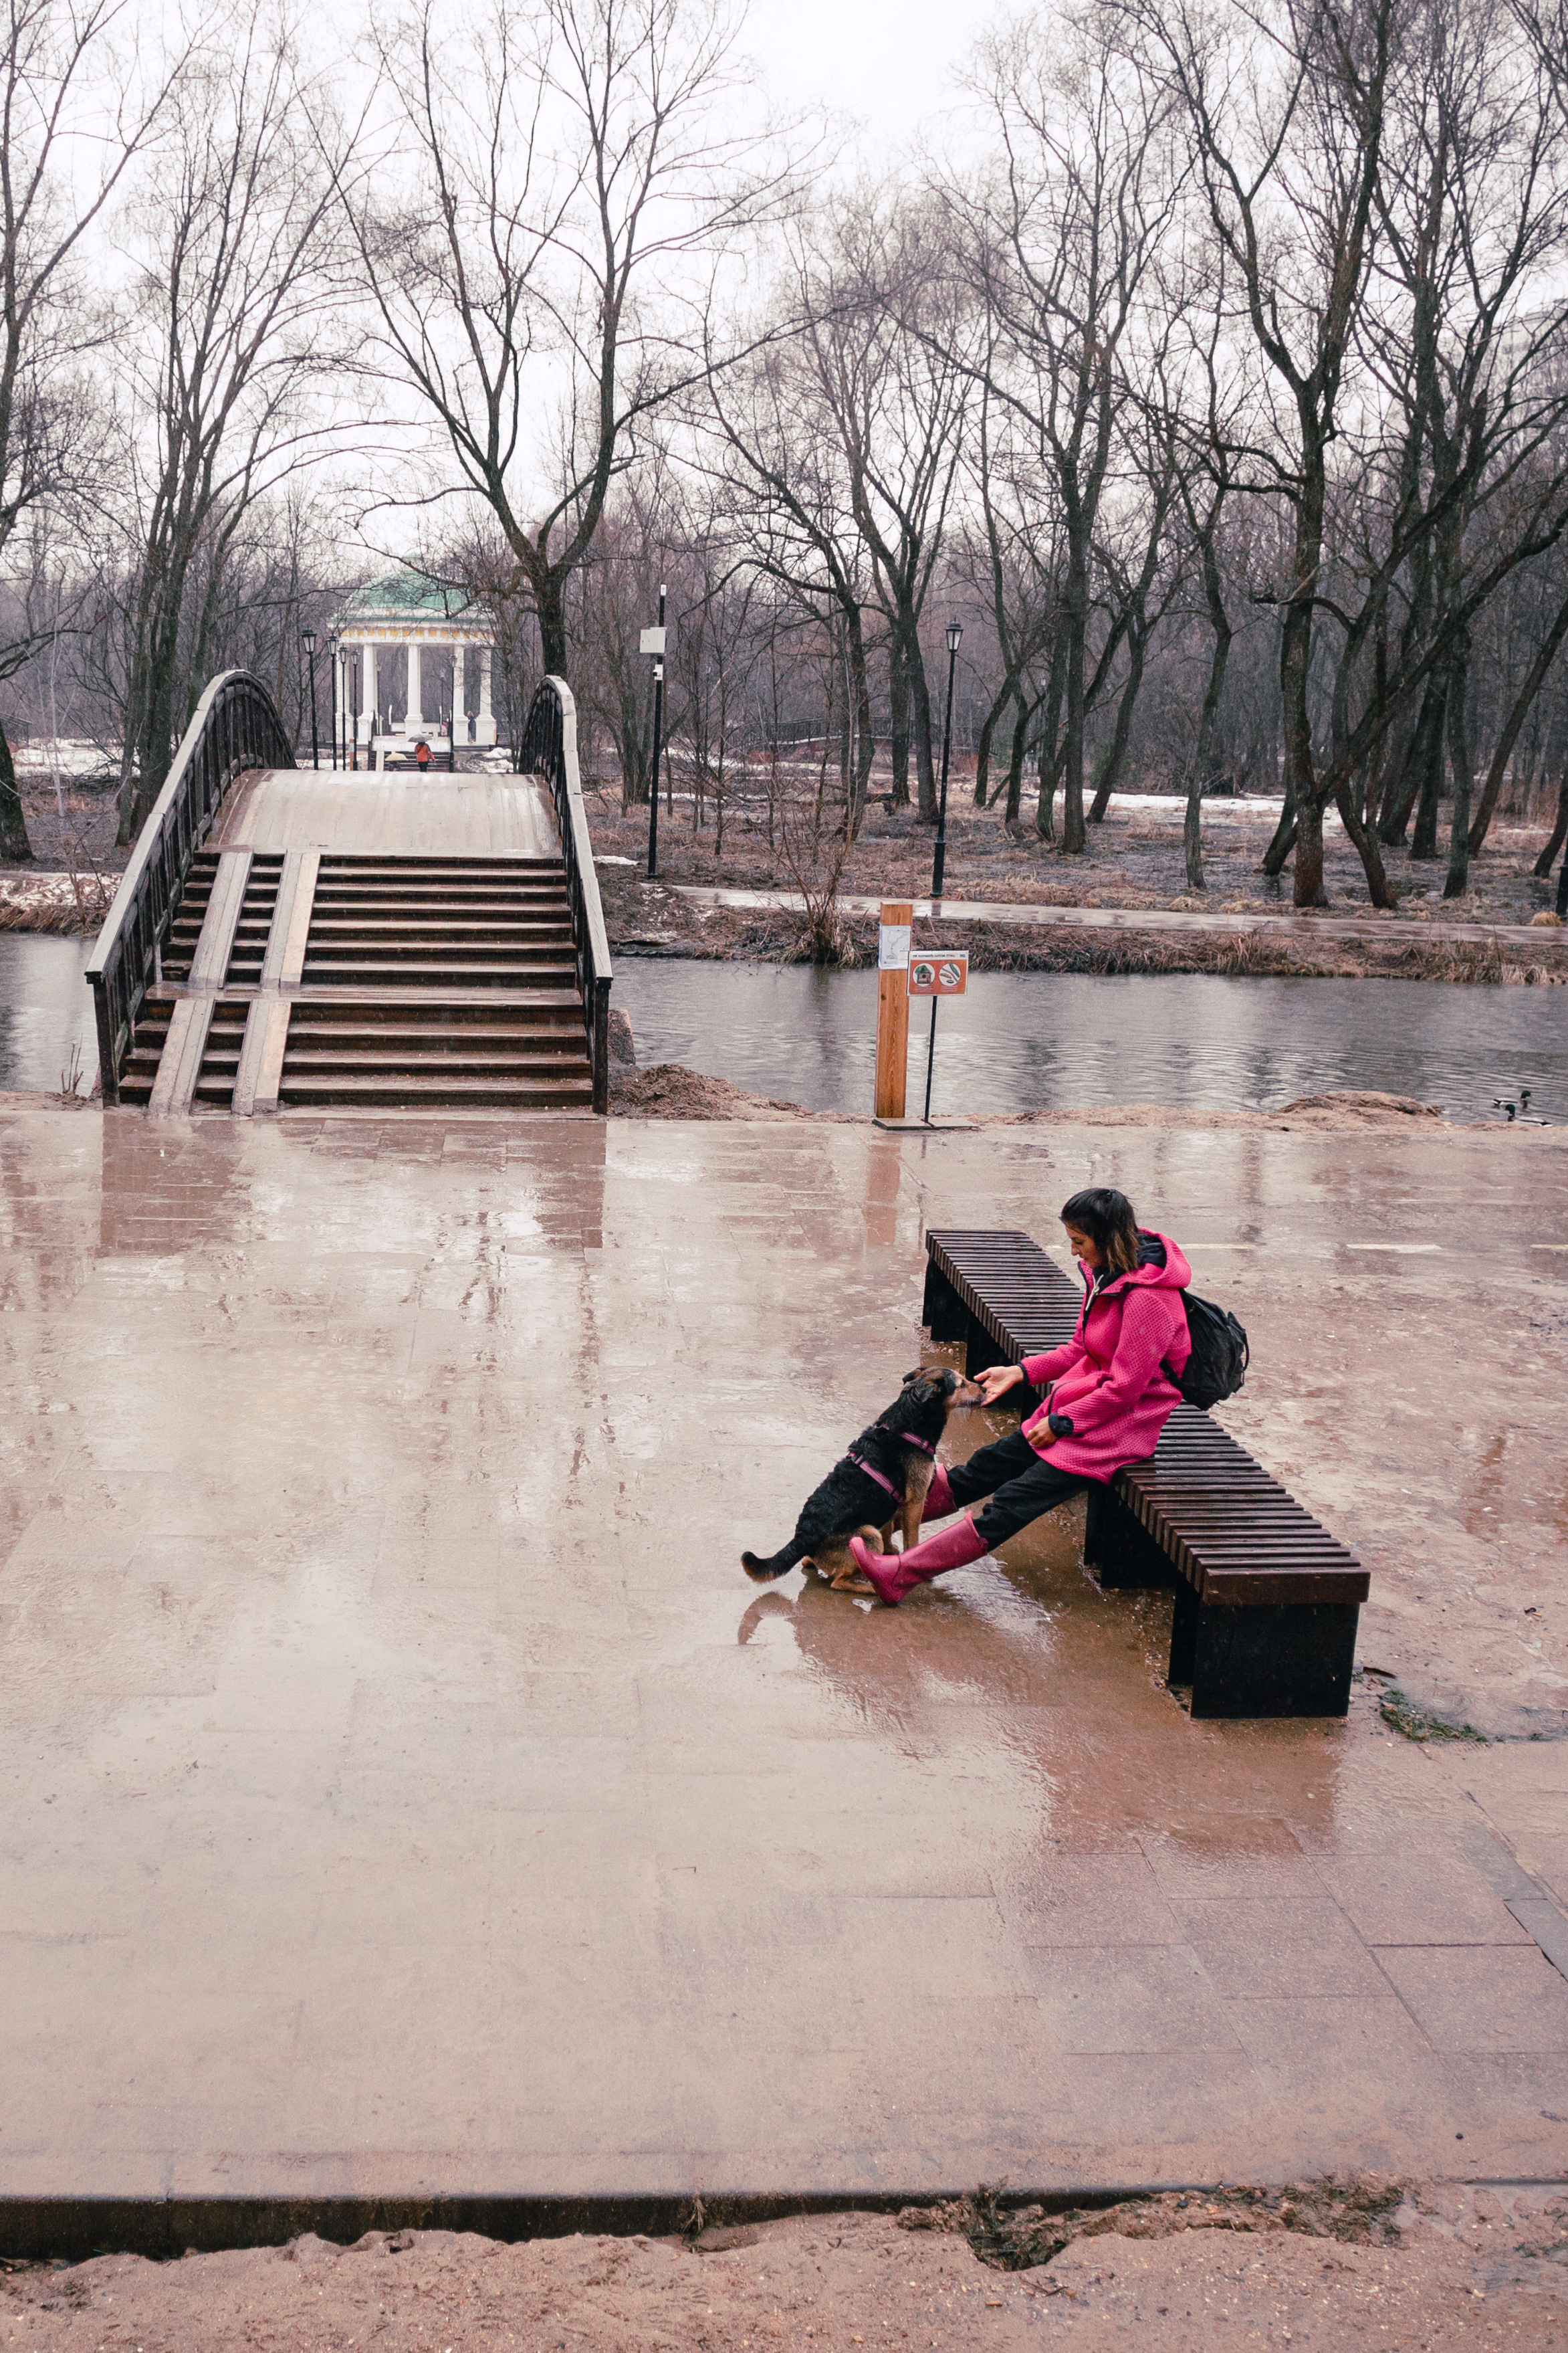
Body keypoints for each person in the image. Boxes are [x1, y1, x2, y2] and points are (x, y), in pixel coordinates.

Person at [849, 1187, 1193, 1607]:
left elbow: (1126, 1388)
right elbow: (1080, 1349)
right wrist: (1020, 1372)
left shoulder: (1150, 1299)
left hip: (1118, 1429)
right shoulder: (1106, 1274)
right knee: (987, 1465)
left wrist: (1063, 1423)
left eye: (1079, 1241)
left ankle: (901, 1574)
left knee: (1013, 1502)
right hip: (1083, 1406)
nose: (1073, 1251)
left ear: (1107, 1238)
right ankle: (867, 1523)